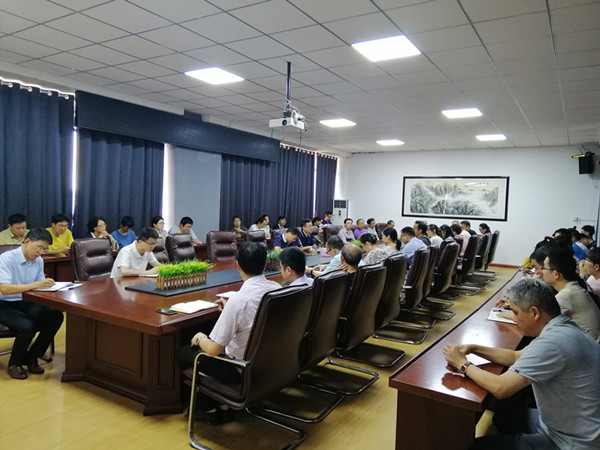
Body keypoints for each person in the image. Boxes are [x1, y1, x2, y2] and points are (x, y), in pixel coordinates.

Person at [444, 278, 600, 450]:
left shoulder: (552, 344)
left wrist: (463, 364)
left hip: (572, 443)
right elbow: (515, 356)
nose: (515, 319)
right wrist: (474, 348)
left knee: (475, 447)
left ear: (534, 312)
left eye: (516, 312)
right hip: (568, 425)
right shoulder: (562, 327)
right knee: (504, 416)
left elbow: (501, 388)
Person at [177, 242, 281, 425]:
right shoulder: (277, 289)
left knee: (186, 352)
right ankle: (223, 404)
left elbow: (214, 350)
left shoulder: (238, 301)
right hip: (270, 362)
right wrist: (229, 310)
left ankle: (208, 409)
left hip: (240, 369)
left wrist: (200, 338)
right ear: (265, 264)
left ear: (237, 265)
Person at [0, 228, 64, 380]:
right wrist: (36, 285)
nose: (41, 252)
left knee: (55, 316)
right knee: (27, 326)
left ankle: (32, 356)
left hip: (26, 301)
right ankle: (14, 364)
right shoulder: (6, 259)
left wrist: (49, 286)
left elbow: (39, 286)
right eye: (39, 247)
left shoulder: (38, 261)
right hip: (4, 304)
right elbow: (5, 289)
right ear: (27, 242)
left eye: (45, 249)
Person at [541, 247, 600, 341]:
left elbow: (541, 320)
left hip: (588, 347)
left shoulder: (567, 294)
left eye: (543, 268)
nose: (541, 271)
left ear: (556, 274)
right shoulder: (573, 287)